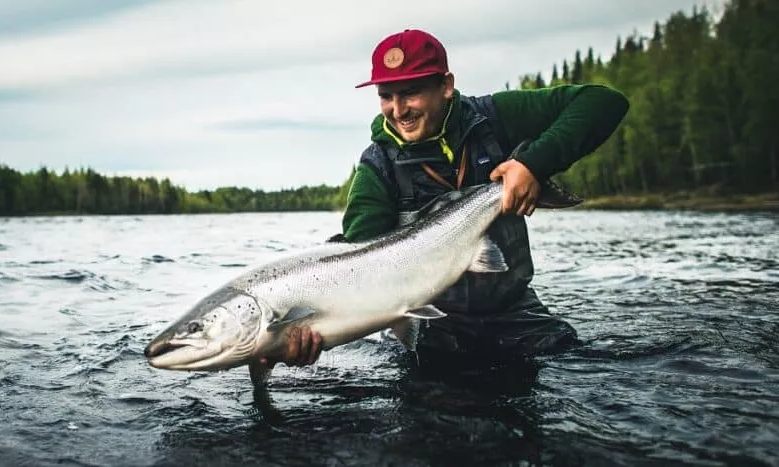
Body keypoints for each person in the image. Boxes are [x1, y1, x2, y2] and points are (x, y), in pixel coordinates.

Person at [259, 28, 629, 372]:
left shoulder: (493, 118)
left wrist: (532, 165)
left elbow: (603, 102)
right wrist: (305, 335)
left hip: (515, 312)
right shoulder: (376, 170)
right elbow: (358, 270)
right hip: (430, 325)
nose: (398, 110)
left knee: (585, 368)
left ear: (446, 86)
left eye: (411, 92)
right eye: (386, 96)